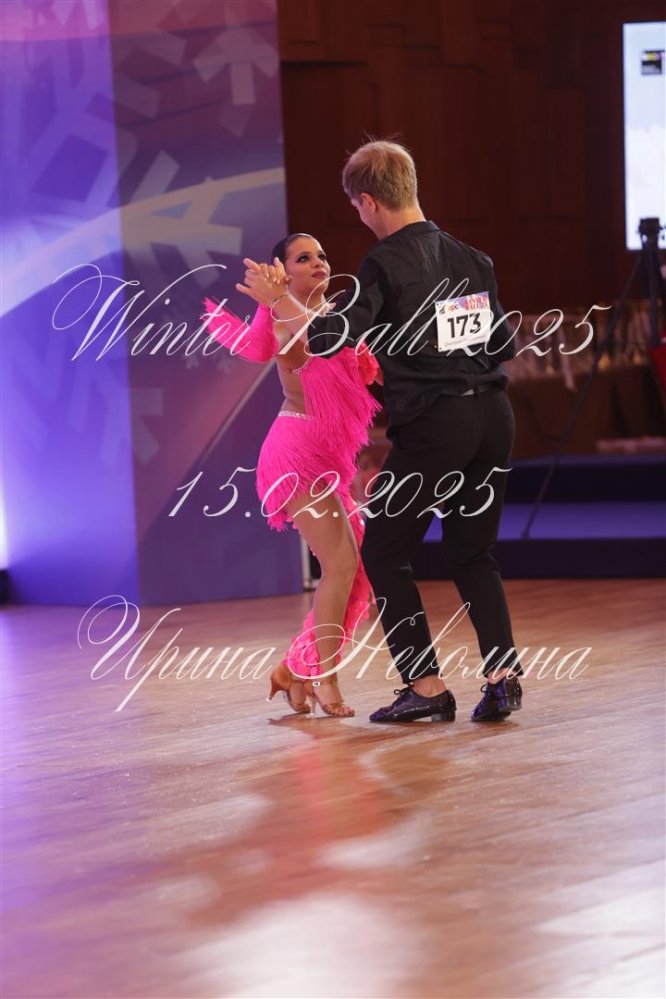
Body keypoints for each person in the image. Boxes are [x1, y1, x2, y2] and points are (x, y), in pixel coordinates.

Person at [240, 141, 524, 725]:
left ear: (368, 201)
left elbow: (329, 338)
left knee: (384, 552)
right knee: (474, 553)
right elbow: (503, 343)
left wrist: (279, 302)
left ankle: (425, 685)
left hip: (439, 424)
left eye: (357, 207)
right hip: (494, 419)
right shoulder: (473, 259)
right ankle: (503, 681)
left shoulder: (384, 263)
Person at [203, 233, 381, 718]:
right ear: (284, 272)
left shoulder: (336, 316)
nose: (319, 263)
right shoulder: (286, 320)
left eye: (322, 255)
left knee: (355, 567)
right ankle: (325, 678)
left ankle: (293, 670)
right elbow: (291, 344)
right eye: (304, 258)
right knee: (340, 564)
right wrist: (274, 298)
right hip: (296, 456)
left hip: (329, 460)